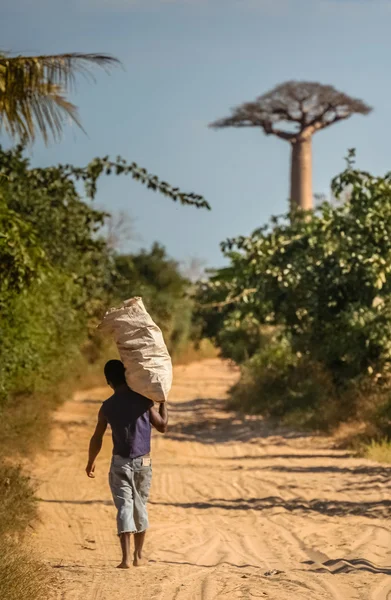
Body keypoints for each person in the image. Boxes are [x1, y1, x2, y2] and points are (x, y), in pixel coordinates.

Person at [85, 359, 168, 568]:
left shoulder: (107, 407)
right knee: (140, 505)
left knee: (124, 506)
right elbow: (162, 426)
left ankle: (124, 559)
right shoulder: (143, 401)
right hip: (144, 462)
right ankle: (138, 557)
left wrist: (91, 461)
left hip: (120, 462)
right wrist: (162, 401)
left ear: (108, 382)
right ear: (127, 376)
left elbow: (97, 437)